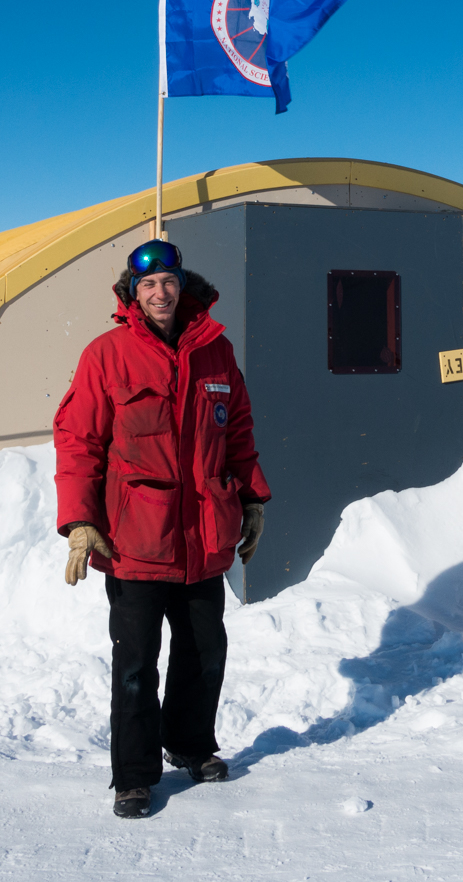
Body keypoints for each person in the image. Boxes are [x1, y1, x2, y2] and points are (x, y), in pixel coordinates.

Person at [53, 237, 271, 819]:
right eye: (147, 284)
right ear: (132, 291)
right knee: (135, 663)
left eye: (168, 281)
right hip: (135, 543)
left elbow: (239, 434)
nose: (159, 292)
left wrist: (252, 501)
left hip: (203, 538)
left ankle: (192, 746)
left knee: (204, 652)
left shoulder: (216, 352)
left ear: (183, 285)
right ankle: (134, 776)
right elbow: (79, 443)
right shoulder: (107, 354)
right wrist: (79, 522)